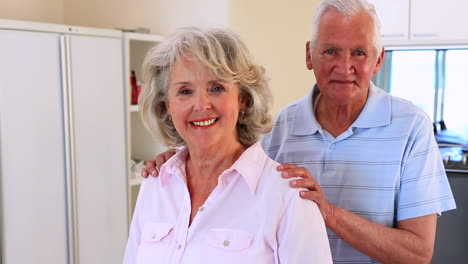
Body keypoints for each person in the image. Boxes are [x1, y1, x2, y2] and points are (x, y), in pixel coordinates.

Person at [141, 0, 457, 263]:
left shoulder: (411, 127)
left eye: (359, 53)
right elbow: (230, 170)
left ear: (378, 60)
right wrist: (182, 159)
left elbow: (417, 253)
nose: (344, 66)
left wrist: (328, 212)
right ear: (309, 55)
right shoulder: (283, 125)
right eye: (331, 51)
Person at [123, 27, 332, 263]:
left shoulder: (288, 196)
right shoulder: (155, 185)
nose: (201, 105)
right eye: (184, 91)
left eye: (217, 88)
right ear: (167, 106)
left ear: (243, 98)